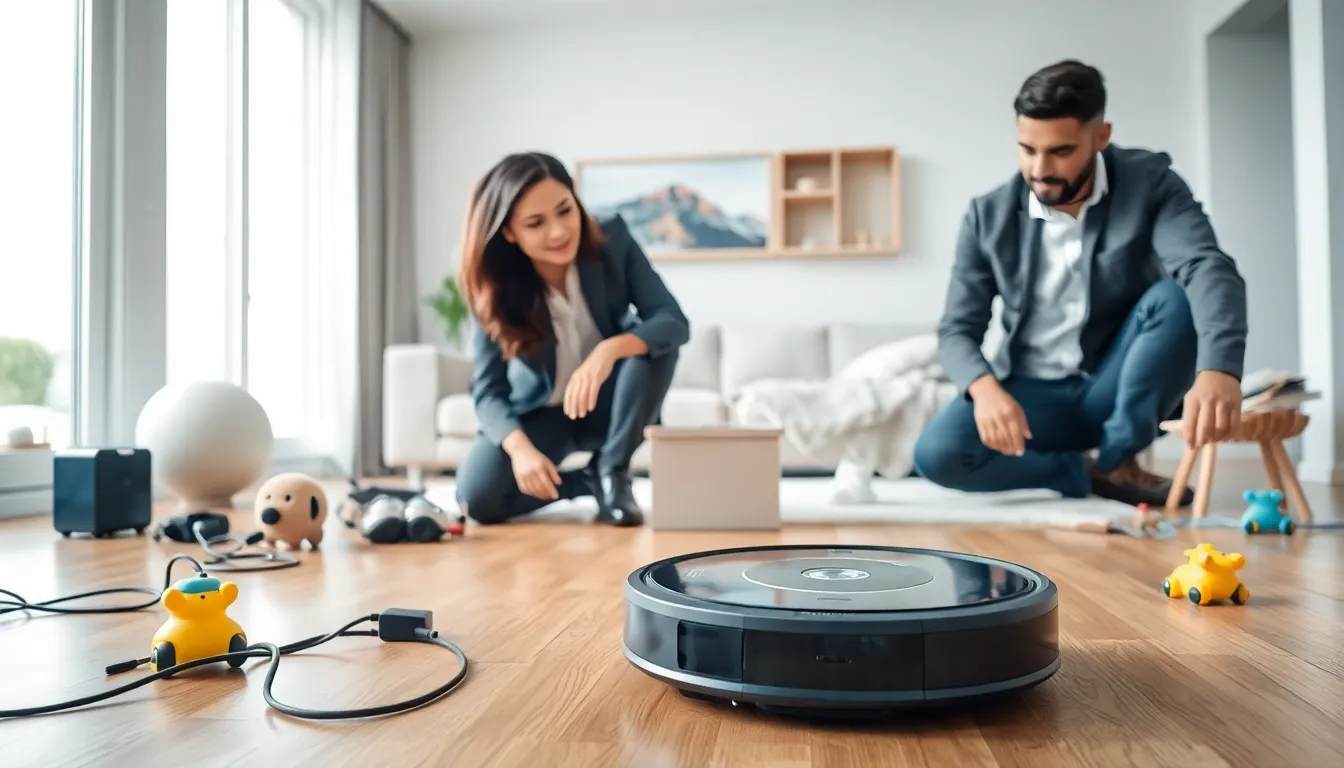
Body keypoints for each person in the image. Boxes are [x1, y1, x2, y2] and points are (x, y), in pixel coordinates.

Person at [913, 60, 1248, 508]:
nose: (1039, 169)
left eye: (1060, 151)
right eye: (1027, 149)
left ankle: (1118, 456)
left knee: (1176, 294)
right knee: (937, 455)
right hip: (1031, 398)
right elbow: (957, 328)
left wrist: (1219, 369)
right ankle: (1086, 474)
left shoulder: (1152, 184)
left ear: (1101, 137)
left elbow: (1207, 266)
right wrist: (985, 389)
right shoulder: (985, 216)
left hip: (1115, 386)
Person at [454, 151, 688, 526]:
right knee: (478, 499)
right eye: (536, 223)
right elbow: (487, 391)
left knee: (655, 345)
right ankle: (587, 481)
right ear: (509, 233)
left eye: (565, 210)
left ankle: (613, 472)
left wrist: (608, 351)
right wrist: (520, 450)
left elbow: (672, 320)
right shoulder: (494, 286)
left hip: (608, 406)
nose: (560, 231)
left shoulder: (614, 240)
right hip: (543, 414)